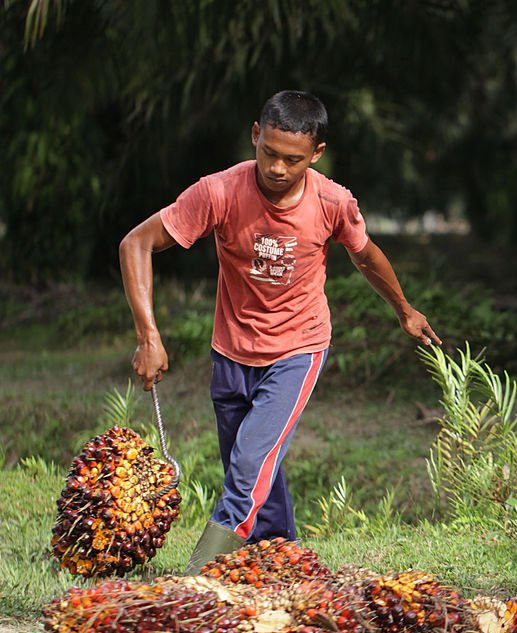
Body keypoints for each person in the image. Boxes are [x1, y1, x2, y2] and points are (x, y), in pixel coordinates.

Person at [119, 90, 441, 573]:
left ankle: (194, 584)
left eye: (292, 160)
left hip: (298, 349)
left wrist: (404, 309)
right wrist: (148, 335)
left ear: (316, 154)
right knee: (252, 471)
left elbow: (365, 255)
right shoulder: (219, 192)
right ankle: (285, 567)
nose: (277, 168)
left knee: (247, 472)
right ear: (255, 136)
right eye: (269, 153)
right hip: (230, 352)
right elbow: (136, 243)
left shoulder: (332, 201)